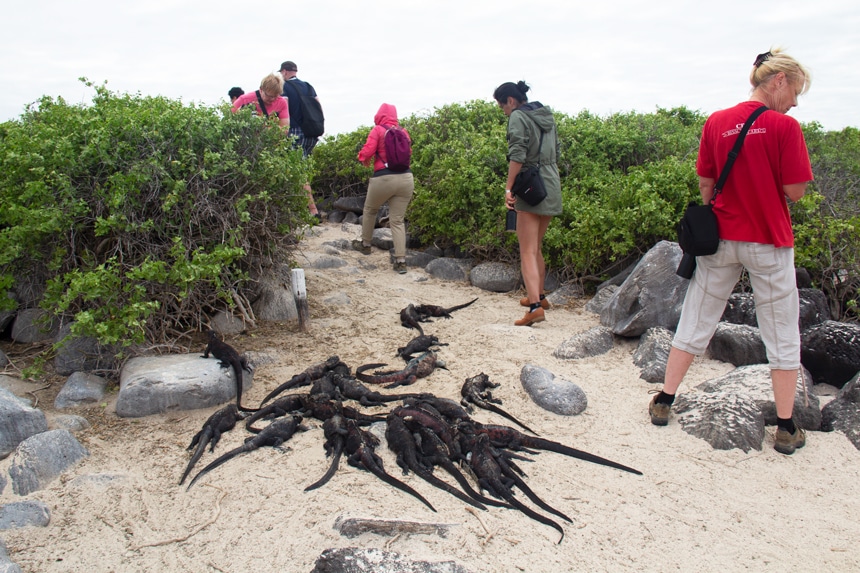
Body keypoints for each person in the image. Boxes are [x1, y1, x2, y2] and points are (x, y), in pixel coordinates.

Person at [648, 48, 813, 456]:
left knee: (697, 317)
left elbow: (706, 185)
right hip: (768, 240)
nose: (794, 101)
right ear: (778, 81)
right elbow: (795, 191)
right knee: (780, 329)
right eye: (795, 90)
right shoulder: (784, 127)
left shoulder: (716, 122)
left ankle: (665, 401)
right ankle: (787, 428)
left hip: (720, 240)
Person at [493, 81, 562, 326]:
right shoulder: (546, 114)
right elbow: (556, 151)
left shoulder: (518, 117)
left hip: (531, 186)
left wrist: (509, 188)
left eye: (502, 105)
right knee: (536, 246)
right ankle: (540, 296)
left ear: (510, 100)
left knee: (527, 250)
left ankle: (534, 308)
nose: (502, 111)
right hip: (551, 184)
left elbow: (518, 155)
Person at [354, 103, 414, 274]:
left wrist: (362, 158)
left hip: (383, 178)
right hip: (406, 179)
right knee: (397, 220)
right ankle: (401, 261)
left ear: (379, 115)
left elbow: (367, 152)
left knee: (370, 209)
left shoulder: (378, 130)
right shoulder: (403, 132)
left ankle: (365, 245)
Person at [279, 60, 321, 217]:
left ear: (284, 72)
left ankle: (312, 211)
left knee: (299, 172)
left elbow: (284, 109)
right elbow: (319, 106)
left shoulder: (285, 87)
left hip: (295, 132)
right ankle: (303, 208)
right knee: (303, 171)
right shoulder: (309, 86)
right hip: (312, 133)